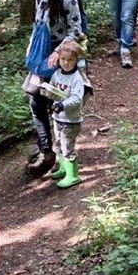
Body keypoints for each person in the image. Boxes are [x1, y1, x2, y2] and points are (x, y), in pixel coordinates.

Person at [23, 0, 85, 176]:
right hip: (41, 57)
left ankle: (64, 156)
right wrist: (32, 46)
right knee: (34, 98)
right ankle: (46, 151)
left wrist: (60, 52)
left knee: (58, 103)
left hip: (62, 60)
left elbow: (76, 30)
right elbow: (38, 22)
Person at [48, 41, 86, 189]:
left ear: (76, 60)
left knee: (67, 146)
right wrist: (47, 92)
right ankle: (63, 168)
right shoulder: (57, 74)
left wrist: (62, 105)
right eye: (63, 59)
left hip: (71, 120)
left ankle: (73, 175)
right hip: (58, 118)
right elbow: (52, 88)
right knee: (58, 143)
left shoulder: (76, 78)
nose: (66, 63)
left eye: (70, 60)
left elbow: (77, 99)